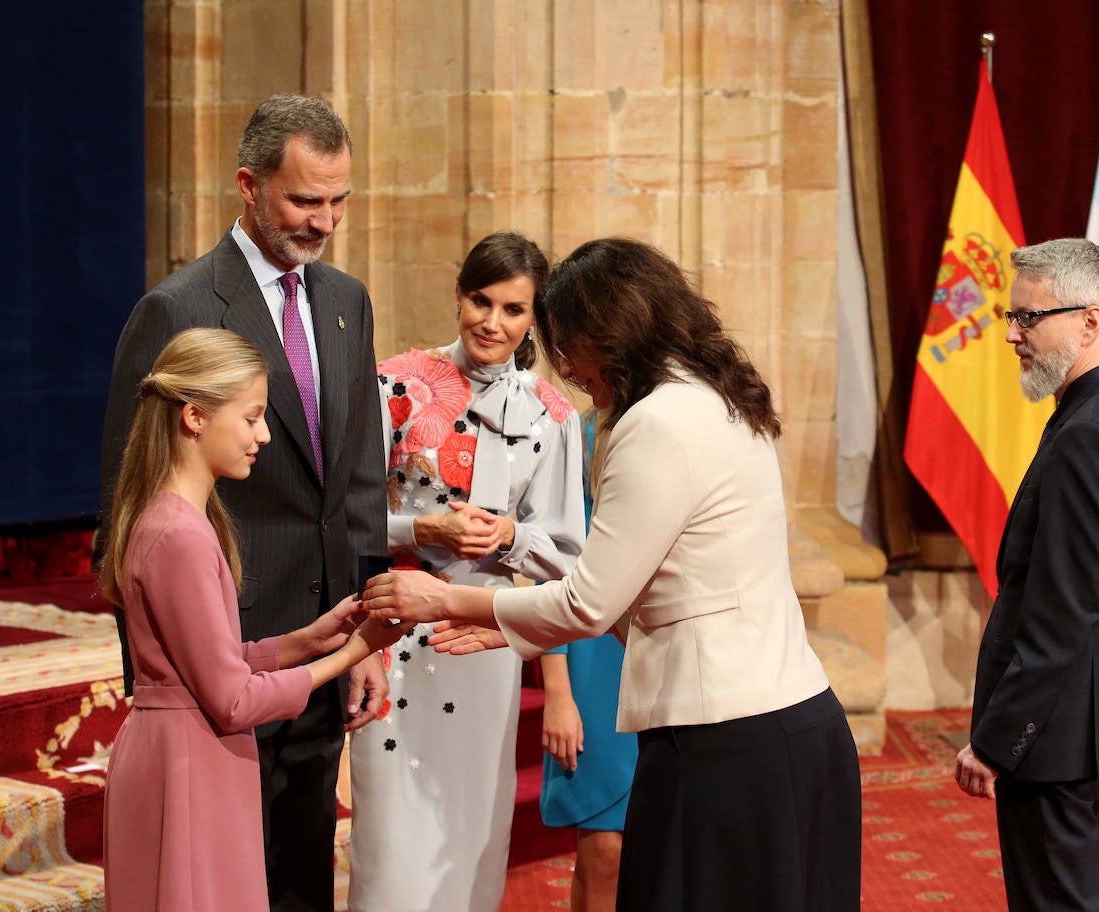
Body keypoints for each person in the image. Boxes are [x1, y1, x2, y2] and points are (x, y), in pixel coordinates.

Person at [362, 237, 863, 911]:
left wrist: (448, 598)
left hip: (724, 742)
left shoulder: (654, 422)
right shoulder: (717, 397)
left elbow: (590, 602)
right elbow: (666, 594)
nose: (566, 367)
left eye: (566, 342)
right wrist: (513, 630)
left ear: (612, 330)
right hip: (790, 722)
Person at [98, 94, 388, 912]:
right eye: (305, 200)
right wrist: (166, 689)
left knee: (300, 877)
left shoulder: (346, 300)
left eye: (339, 201)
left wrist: (363, 629)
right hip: (214, 672)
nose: (325, 221)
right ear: (248, 186)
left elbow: (360, 479)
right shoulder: (177, 308)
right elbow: (124, 506)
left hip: (309, 652)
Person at [98, 328, 408, 912]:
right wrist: (348, 655)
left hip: (184, 755)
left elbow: (205, 665)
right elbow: (233, 700)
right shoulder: (180, 535)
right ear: (194, 417)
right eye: (252, 417)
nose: (263, 435)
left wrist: (306, 641)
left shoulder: (173, 518)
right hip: (188, 766)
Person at [345, 231, 586, 912]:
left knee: (472, 837)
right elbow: (345, 518)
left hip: (484, 640)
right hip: (387, 632)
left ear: (533, 319)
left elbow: (567, 552)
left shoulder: (553, 413)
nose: (492, 321)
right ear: (459, 293)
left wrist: (508, 536)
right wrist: (422, 527)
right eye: (481, 300)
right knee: (390, 844)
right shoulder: (394, 383)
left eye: (513, 310)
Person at [953, 238, 1099, 910]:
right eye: (1010, 317)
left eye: (1029, 318)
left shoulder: (1091, 437)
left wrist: (994, 742)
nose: (1013, 334)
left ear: (1090, 321)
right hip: (1082, 726)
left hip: (1053, 734)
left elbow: (1061, 613)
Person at [537, 405, 638, 912]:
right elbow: (554, 563)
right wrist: (558, 692)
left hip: (668, 648)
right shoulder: (580, 431)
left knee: (664, 848)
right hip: (596, 655)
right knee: (605, 850)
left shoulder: (689, 416)